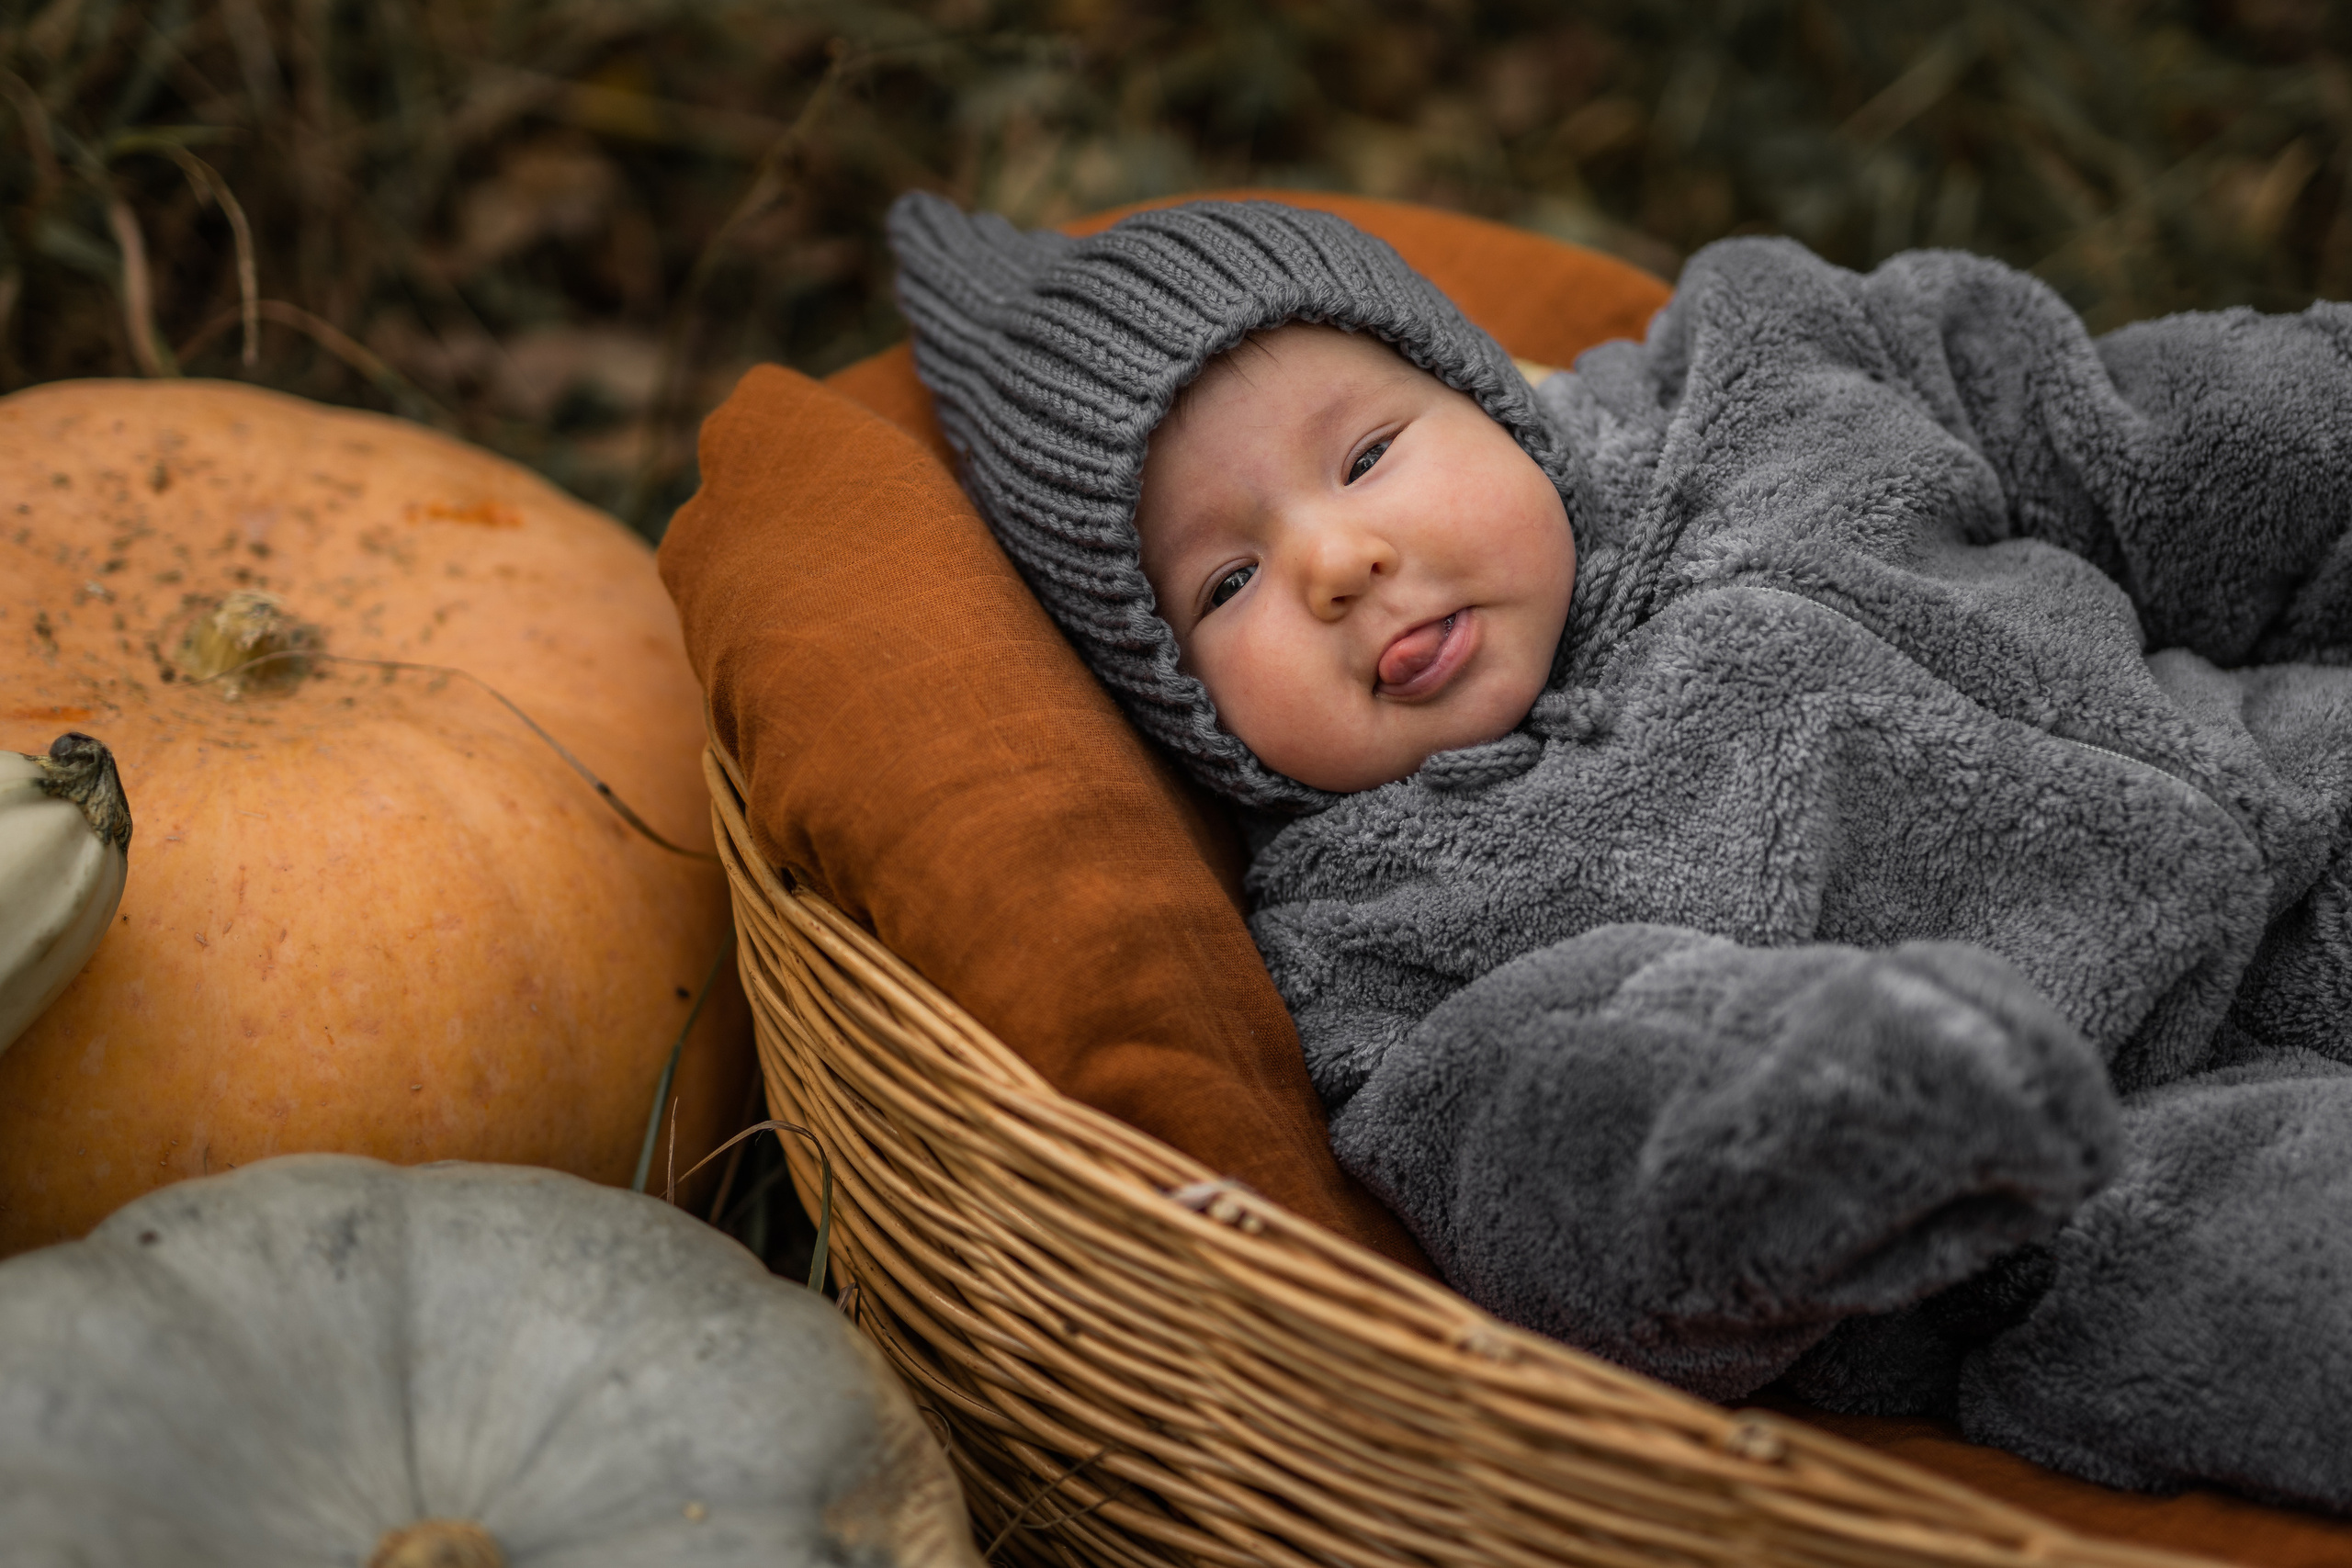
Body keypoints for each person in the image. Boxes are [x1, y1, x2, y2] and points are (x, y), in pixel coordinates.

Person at [887, 190, 2352, 1511]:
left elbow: (2120, 440)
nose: (1337, 565)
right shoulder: (1371, 919)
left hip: (2294, 795)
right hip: (2074, 1172)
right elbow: (1540, 1122)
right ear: (1178, 704)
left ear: (1483, 394)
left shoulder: (1767, 380)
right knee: (2272, 1279)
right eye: (1228, 579)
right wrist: (1790, 1126)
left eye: (1371, 453)